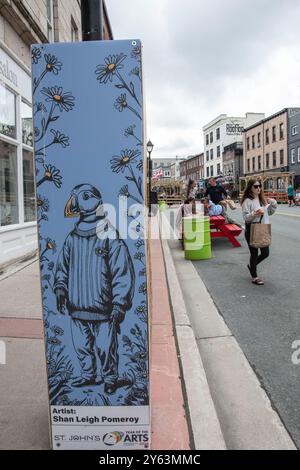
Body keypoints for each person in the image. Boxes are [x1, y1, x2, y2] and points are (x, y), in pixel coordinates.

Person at [54, 184, 135, 394]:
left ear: (98, 202)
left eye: (85, 197)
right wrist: (61, 287)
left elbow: (122, 271)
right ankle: (88, 375)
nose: (75, 202)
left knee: (105, 347)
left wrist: (119, 304)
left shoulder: (110, 235)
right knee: (82, 345)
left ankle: (110, 378)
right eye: (76, 198)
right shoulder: (72, 237)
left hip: (104, 308)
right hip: (77, 305)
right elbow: (62, 265)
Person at [241, 179, 277, 285]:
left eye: (259, 186)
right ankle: (255, 277)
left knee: (266, 253)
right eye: (255, 186)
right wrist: (255, 214)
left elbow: (269, 212)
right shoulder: (247, 201)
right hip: (252, 228)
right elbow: (245, 218)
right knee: (254, 253)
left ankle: (252, 266)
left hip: (262, 228)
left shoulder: (262, 199)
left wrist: (273, 204)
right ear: (250, 188)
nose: (258, 188)